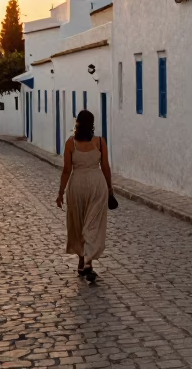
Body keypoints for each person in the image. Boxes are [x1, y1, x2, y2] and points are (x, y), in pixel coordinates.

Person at [55, 109, 112, 283]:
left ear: (77, 123)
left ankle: (85, 262)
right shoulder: (100, 142)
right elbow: (106, 167)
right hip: (96, 184)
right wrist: (110, 188)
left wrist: (60, 192)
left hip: (77, 185)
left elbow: (66, 170)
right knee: (92, 223)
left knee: (79, 223)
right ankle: (85, 262)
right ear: (92, 124)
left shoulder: (70, 143)